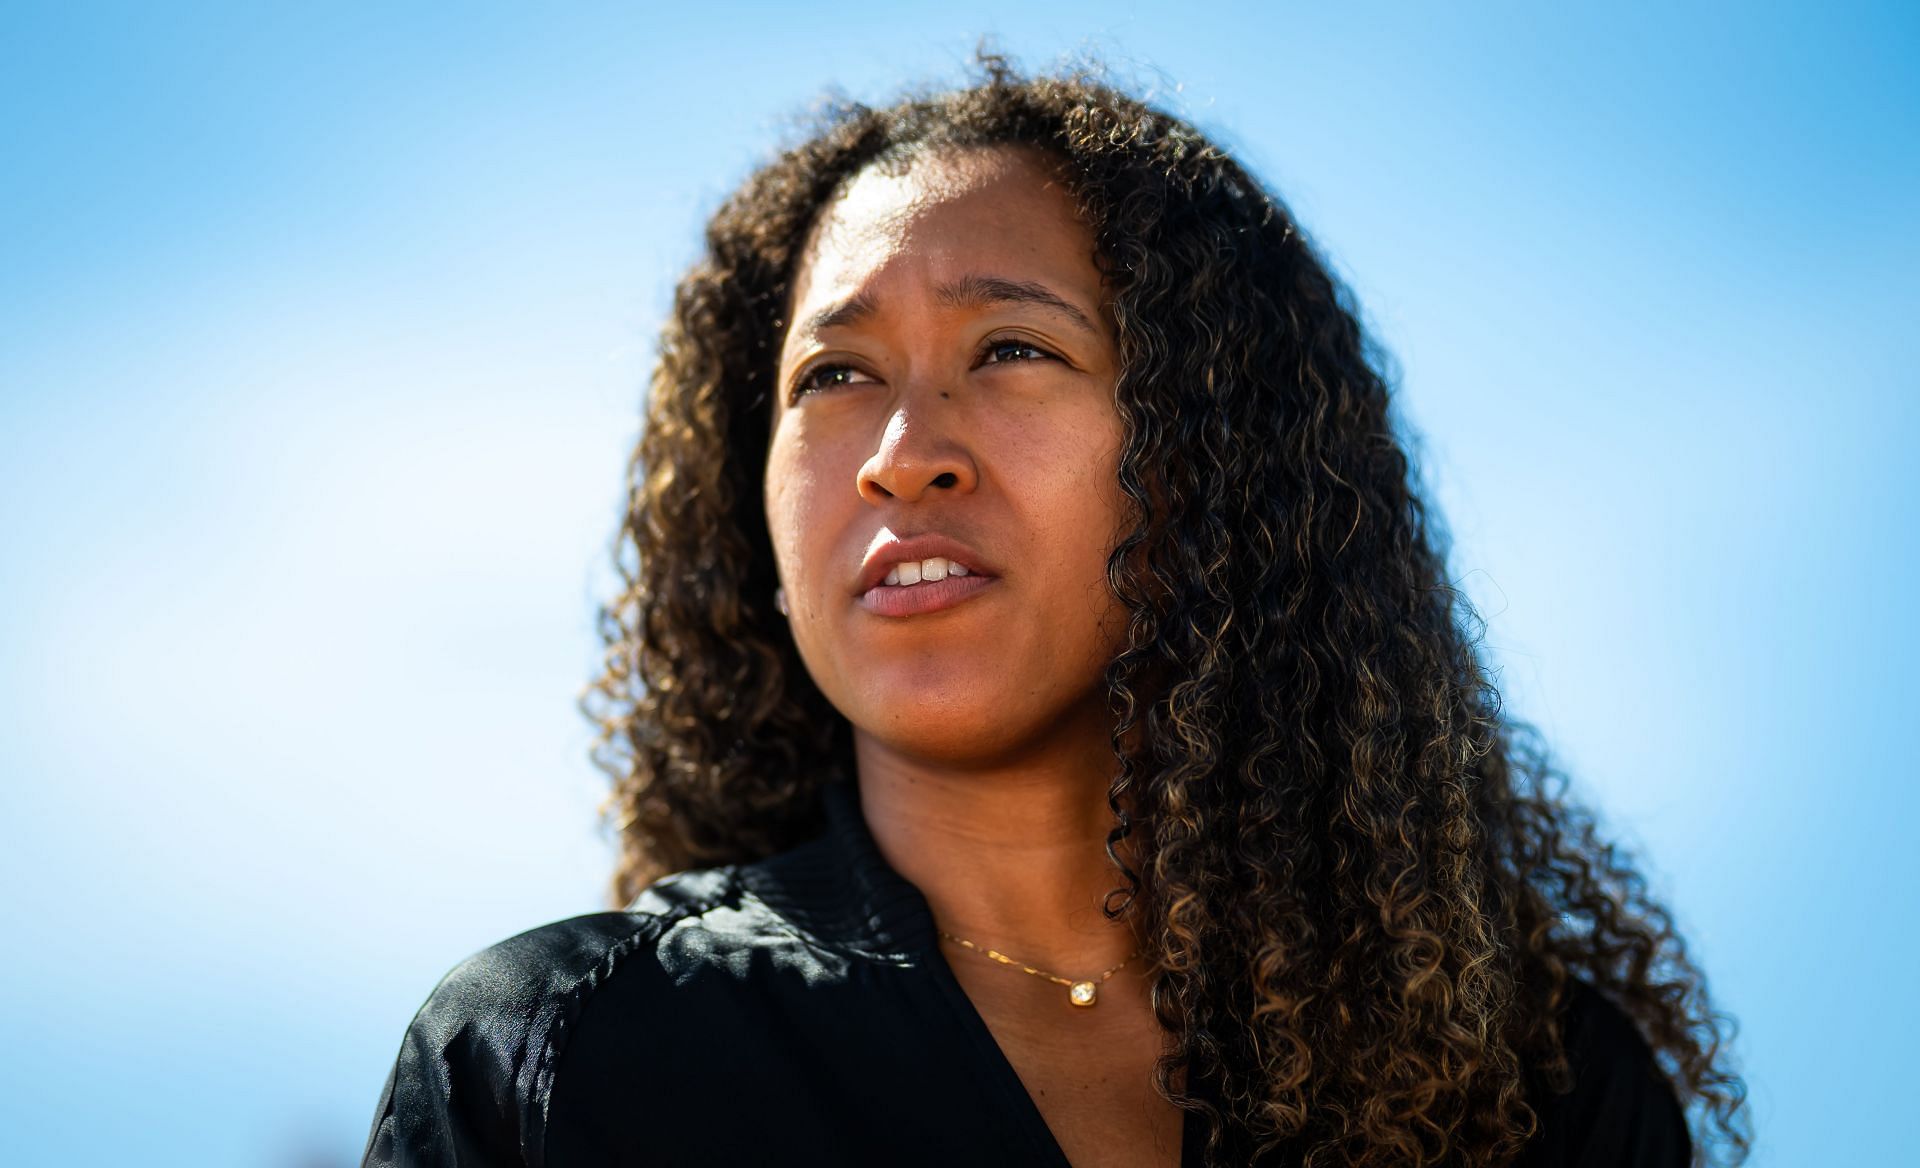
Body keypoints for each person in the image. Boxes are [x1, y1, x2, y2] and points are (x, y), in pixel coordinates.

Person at [361, 58, 1750, 1168]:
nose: (903, 450)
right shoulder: (563, 1065)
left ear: (1211, 462)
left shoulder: (1533, 1102)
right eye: (832, 376)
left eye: (1013, 348)